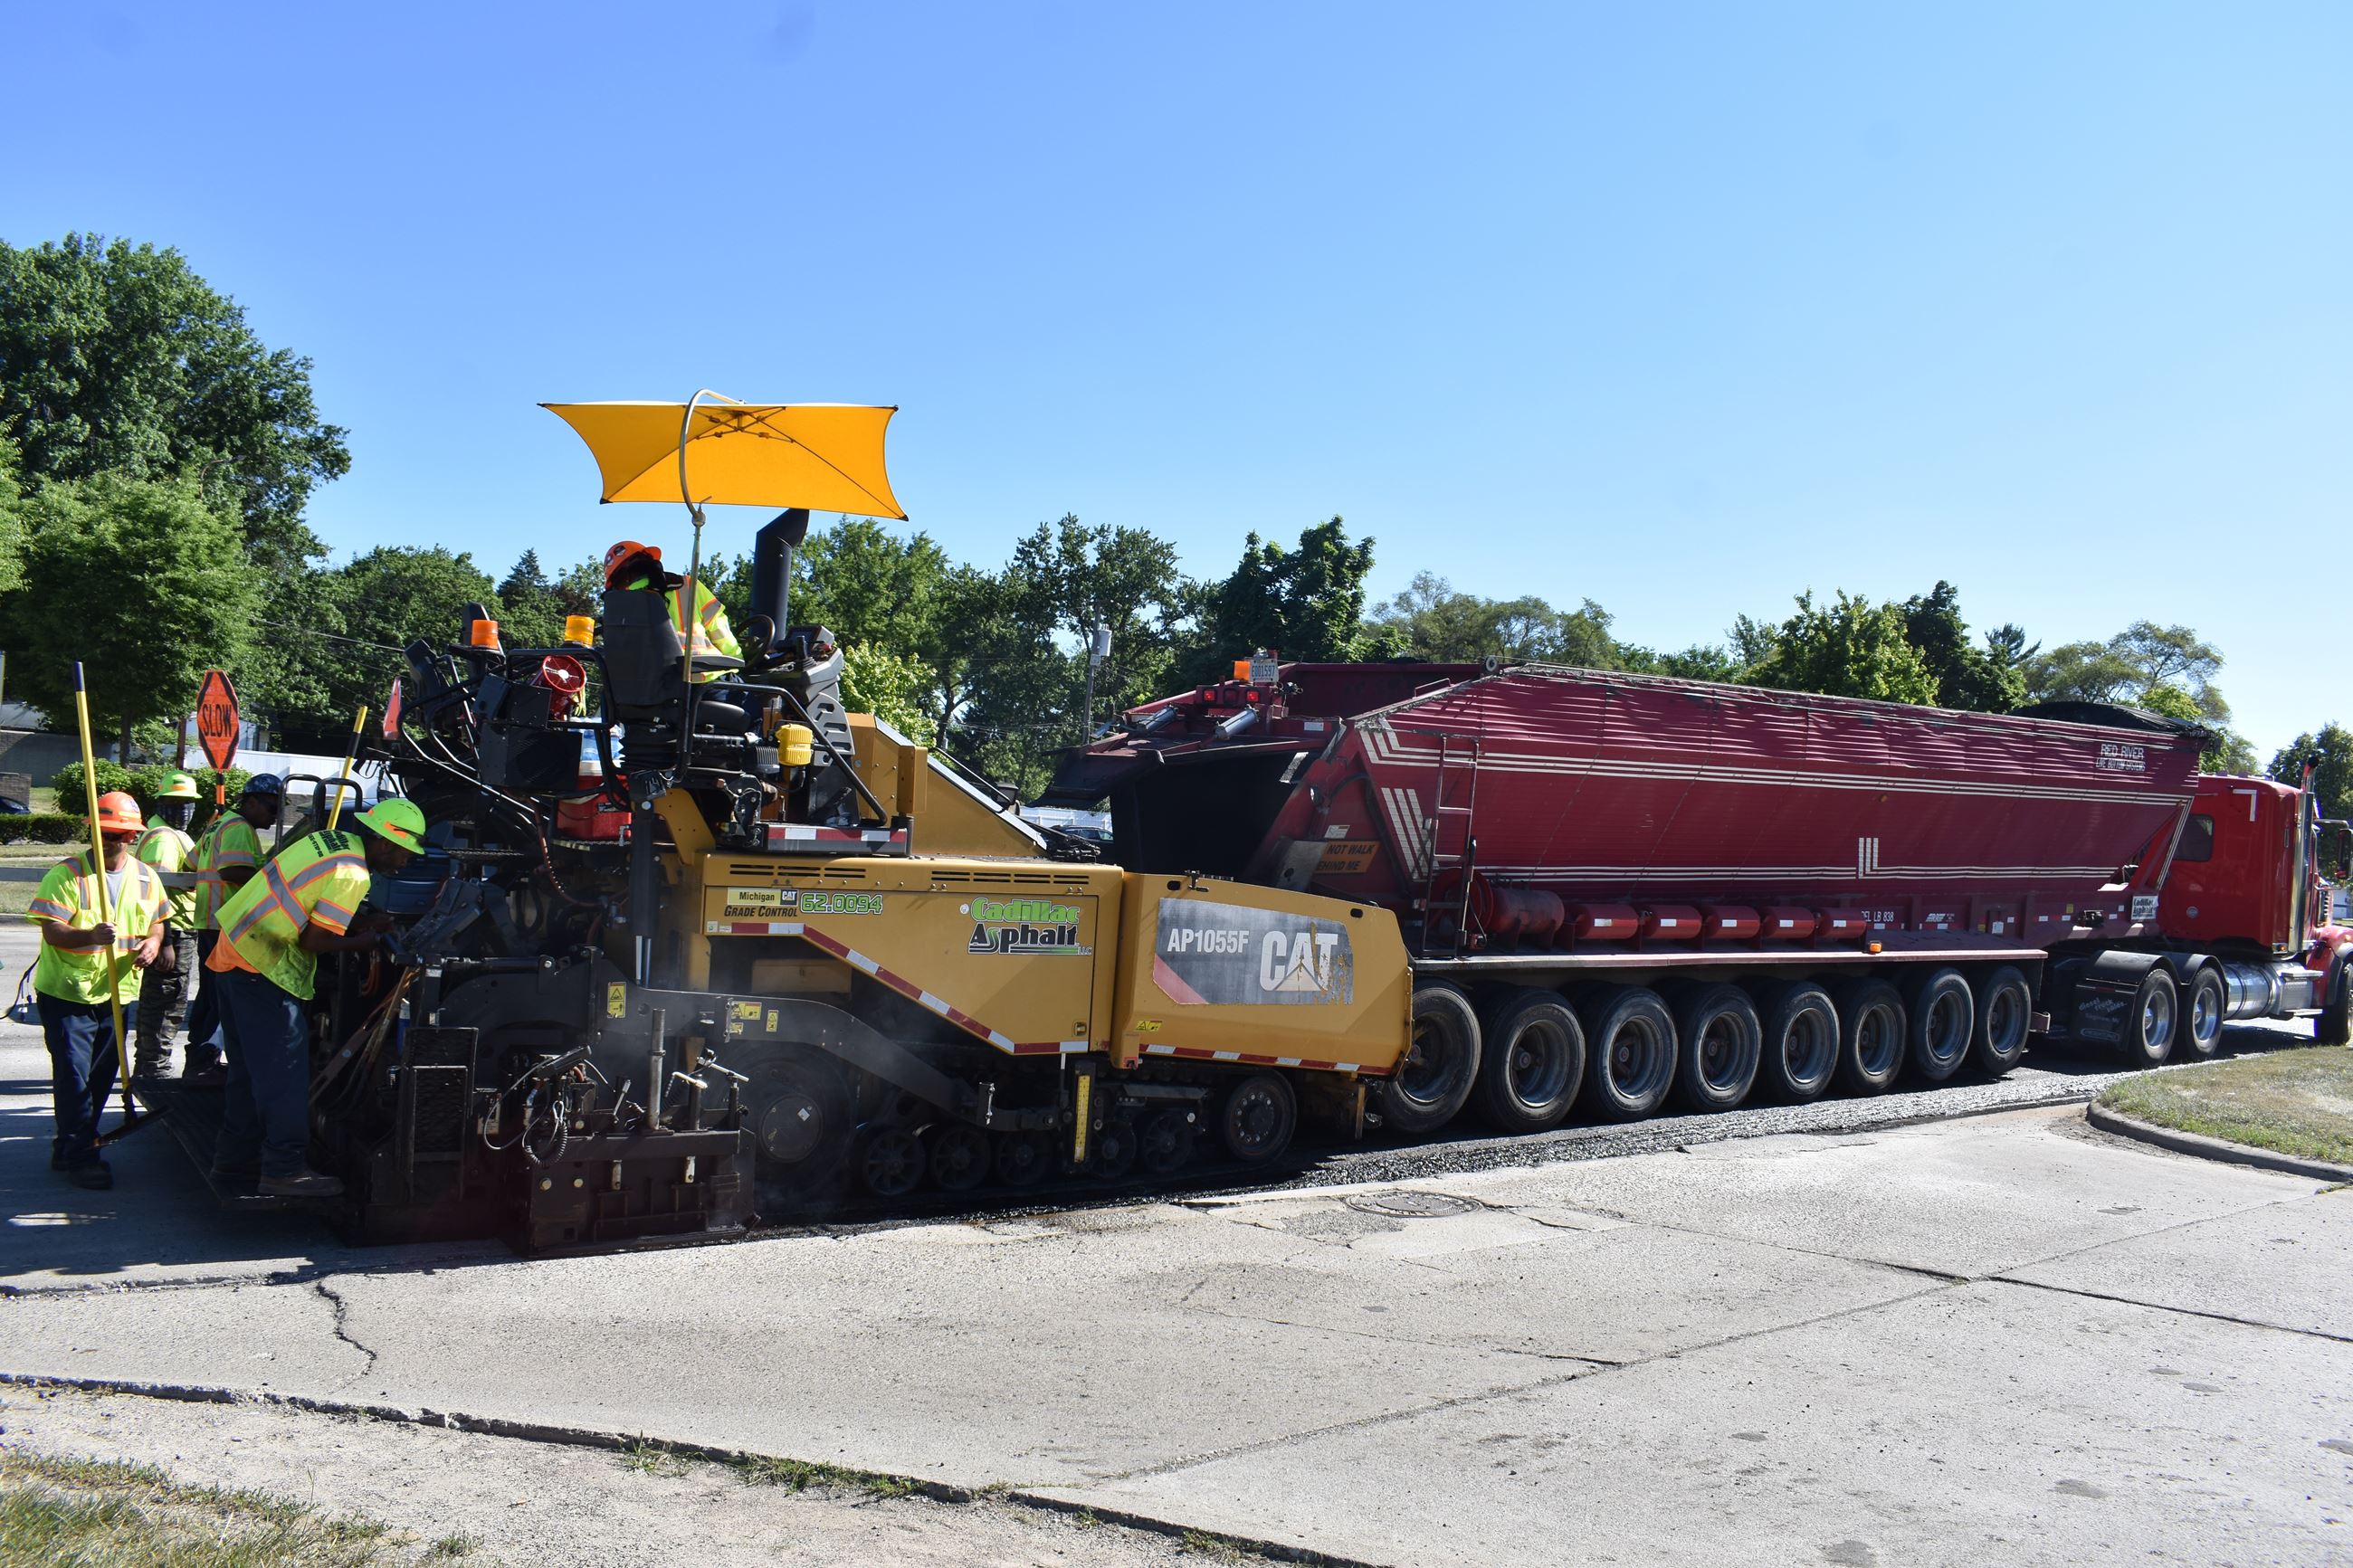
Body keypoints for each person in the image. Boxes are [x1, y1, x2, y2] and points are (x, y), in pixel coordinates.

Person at [205, 797, 427, 1198]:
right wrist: (366, 940)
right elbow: (315, 939)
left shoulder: (330, 840)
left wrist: (357, 920)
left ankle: (233, 1160)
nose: (406, 863)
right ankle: (284, 1169)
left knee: (246, 1072)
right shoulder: (353, 874)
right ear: (383, 843)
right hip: (263, 968)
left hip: (235, 950)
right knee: (285, 1074)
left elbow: (306, 897)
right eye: (404, 853)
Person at [24, 791, 168, 1190]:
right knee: (74, 1076)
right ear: (93, 831)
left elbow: (158, 922)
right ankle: (83, 1156)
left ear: (134, 837)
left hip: (118, 994)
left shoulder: (145, 877)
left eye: (122, 834)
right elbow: (53, 930)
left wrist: (154, 944)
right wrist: (88, 934)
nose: (113, 840)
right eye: (106, 832)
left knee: (100, 1077)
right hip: (68, 994)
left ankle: (70, 1145)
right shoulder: (67, 874)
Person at [182, 774, 282, 1082]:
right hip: (227, 924)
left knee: (210, 995)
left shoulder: (219, 824)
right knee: (221, 998)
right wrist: (273, 878)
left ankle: (197, 1058)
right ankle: (204, 1062)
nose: (275, 814)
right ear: (251, 802)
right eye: (270, 806)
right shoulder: (240, 827)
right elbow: (232, 871)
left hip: (210, 921)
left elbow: (190, 864)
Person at [131, 772, 202, 1080]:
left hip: (182, 929)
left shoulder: (173, 834)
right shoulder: (162, 839)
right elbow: (158, 896)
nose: (183, 809)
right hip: (175, 932)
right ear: (161, 803)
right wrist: (168, 940)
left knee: (168, 999)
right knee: (165, 1001)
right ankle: (153, 1067)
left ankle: (149, 1063)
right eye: (175, 803)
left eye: (188, 803)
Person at [603, 539, 742, 681]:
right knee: (752, 696)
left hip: (649, 692)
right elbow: (721, 632)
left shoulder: (618, 609)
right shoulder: (689, 586)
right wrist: (739, 661)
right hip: (703, 680)